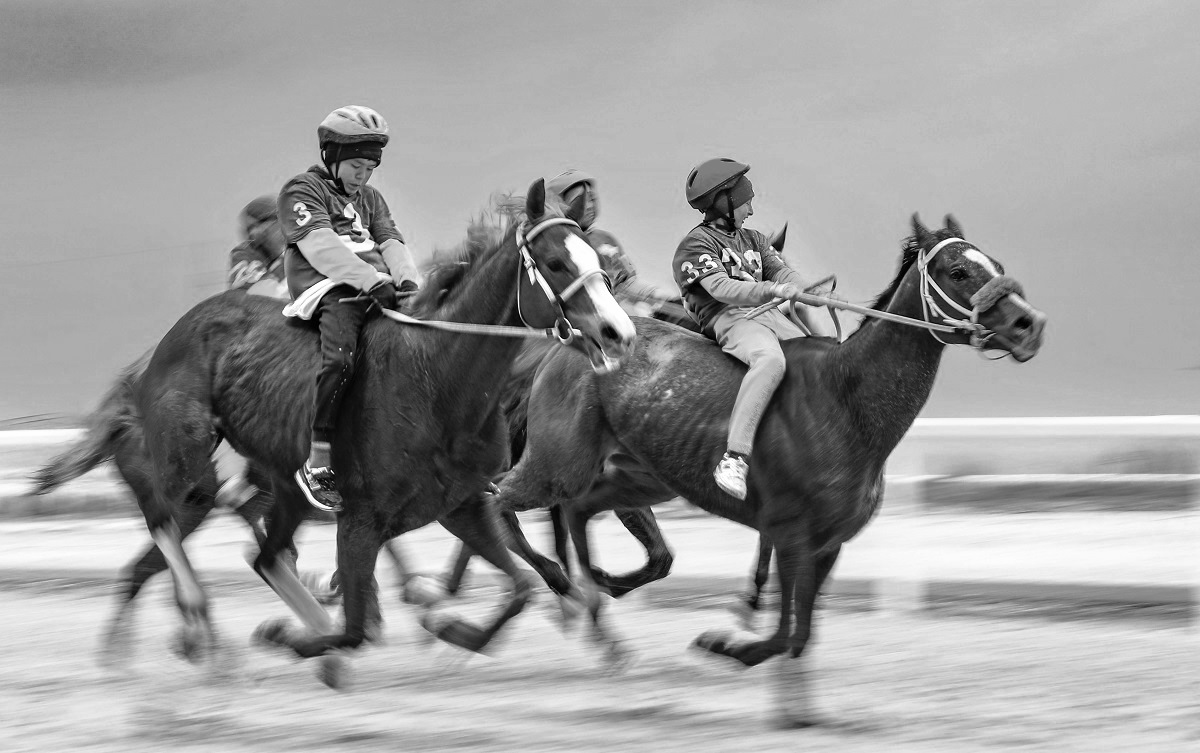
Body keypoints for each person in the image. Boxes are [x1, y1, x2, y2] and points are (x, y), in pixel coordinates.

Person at [279, 105, 421, 512]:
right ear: (331, 156)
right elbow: (321, 248)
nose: (364, 176)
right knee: (341, 361)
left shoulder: (371, 198)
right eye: (357, 166)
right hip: (329, 288)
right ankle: (318, 459)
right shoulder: (302, 190)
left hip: (375, 287)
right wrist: (372, 281)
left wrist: (408, 280)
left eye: (370, 168)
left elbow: (391, 240)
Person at [671, 158, 815, 500]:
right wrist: (771, 290)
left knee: (818, 357)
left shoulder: (755, 239)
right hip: (730, 318)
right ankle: (734, 458)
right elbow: (722, 289)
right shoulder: (695, 244)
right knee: (770, 361)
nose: (751, 207)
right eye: (745, 200)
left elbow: (782, 273)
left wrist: (810, 291)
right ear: (723, 201)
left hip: (767, 314)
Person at [545, 169, 667, 318]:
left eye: (592, 199)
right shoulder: (561, 247)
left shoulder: (605, 239)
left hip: (626, 308)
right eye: (580, 201)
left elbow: (626, 283)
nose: (589, 206)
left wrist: (654, 295)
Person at [227, 195, 288, 298]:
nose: (252, 233)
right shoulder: (243, 252)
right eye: (249, 228)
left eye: (258, 224)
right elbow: (245, 295)